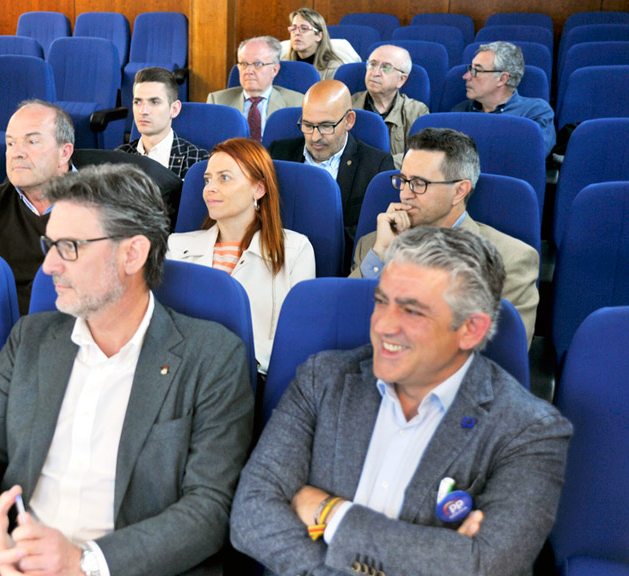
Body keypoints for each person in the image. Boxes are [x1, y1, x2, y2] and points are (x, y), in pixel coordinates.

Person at [0, 164, 254, 576]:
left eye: (69, 246)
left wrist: (83, 563)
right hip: (11, 564)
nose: (48, 265)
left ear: (132, 254)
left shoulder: (211, 357)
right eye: (49, 244)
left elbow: (209, 509)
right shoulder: (31, 339)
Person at [230, 225, 572, 576]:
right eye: (381, 302)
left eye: (412, 311)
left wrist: (332, 513)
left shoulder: (530, 431)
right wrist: (439, 553)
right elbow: (251, 513)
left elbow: (487, 565)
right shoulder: (323, 380)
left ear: (471, 329)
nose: (383, 326)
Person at [0, 100, 181, 315]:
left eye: (32, 142)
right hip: (6, 323)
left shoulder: (106, 201)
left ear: (64, 153)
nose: (17, 152)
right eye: (10, 143)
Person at [350, 127, 539, 345]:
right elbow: (342, 320)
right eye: (402, 180)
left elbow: (502, 352)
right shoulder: (373, 244)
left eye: (419, 184)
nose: (405, 193)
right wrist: (380, 253)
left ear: (459, 191)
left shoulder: (512, 259)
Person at [168, 138, 314, 374]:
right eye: (207, 180)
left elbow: (297, 339)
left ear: (258, 188)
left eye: (224, 178)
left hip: (252, 377)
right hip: (181, 374)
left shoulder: (296, 250)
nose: (210, 188)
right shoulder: (175, 246)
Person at [269, 79, 393, 245]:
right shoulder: (278, 153)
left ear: (349, 120)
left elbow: (369, 236)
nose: (315, 137)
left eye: (326, 126)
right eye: (307, 125)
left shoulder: (376, 166)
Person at [452, 41, 556, 154]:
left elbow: (532, 156)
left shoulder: (534, 112)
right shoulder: (460, 111)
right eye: (470, 69)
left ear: (502, 79)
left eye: (476, 70)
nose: (466, 76)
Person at [117, 67, 208, 179]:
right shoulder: (119, 157)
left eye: (154, 102)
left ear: (174, 109)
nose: (143, 111)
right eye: (137, 102)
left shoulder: (198, 161)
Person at [207, 37, 304, 142]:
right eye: (244, 64)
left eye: (257, 64)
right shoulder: (217, 101)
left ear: (274, 70)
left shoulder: (297, 102)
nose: (248, 71)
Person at [352, 45, 430, 169]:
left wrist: (377, 165)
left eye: (386, 67)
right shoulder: (348, 105)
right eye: (372, 64)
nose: (375, 73)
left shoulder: (417, 112)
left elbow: (421, 155)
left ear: (401, 80)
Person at [283, 8, 346, 81]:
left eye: (304, 28)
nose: (296, 33)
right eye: (293, 28)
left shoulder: (333, 68)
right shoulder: (283, 63)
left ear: (319, 36)